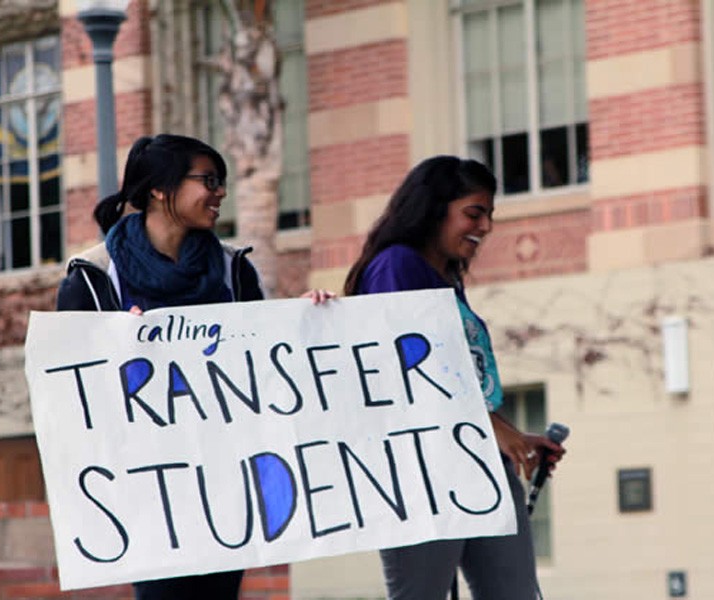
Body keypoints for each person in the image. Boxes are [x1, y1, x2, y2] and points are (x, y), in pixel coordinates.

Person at [56, 133, 332, 599]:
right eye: (208, 180)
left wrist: (307, 320)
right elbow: (70, 391)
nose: (220, 192)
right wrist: (115, 346)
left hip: (226, 483)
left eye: (220, 181)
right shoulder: (94, 278)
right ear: (159, 189)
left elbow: (264, 365)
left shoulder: (233, 270)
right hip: (148, 487)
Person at [343, 155, 566, 600]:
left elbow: (460, 378)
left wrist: (513, 437)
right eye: (474, 213)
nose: (486, 227)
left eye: (489, 215)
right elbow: (409, 373)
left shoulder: (444, 277)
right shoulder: (396, 266)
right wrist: (492, 428)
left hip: (478, 461)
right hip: (421, 470)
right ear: (433, 209)